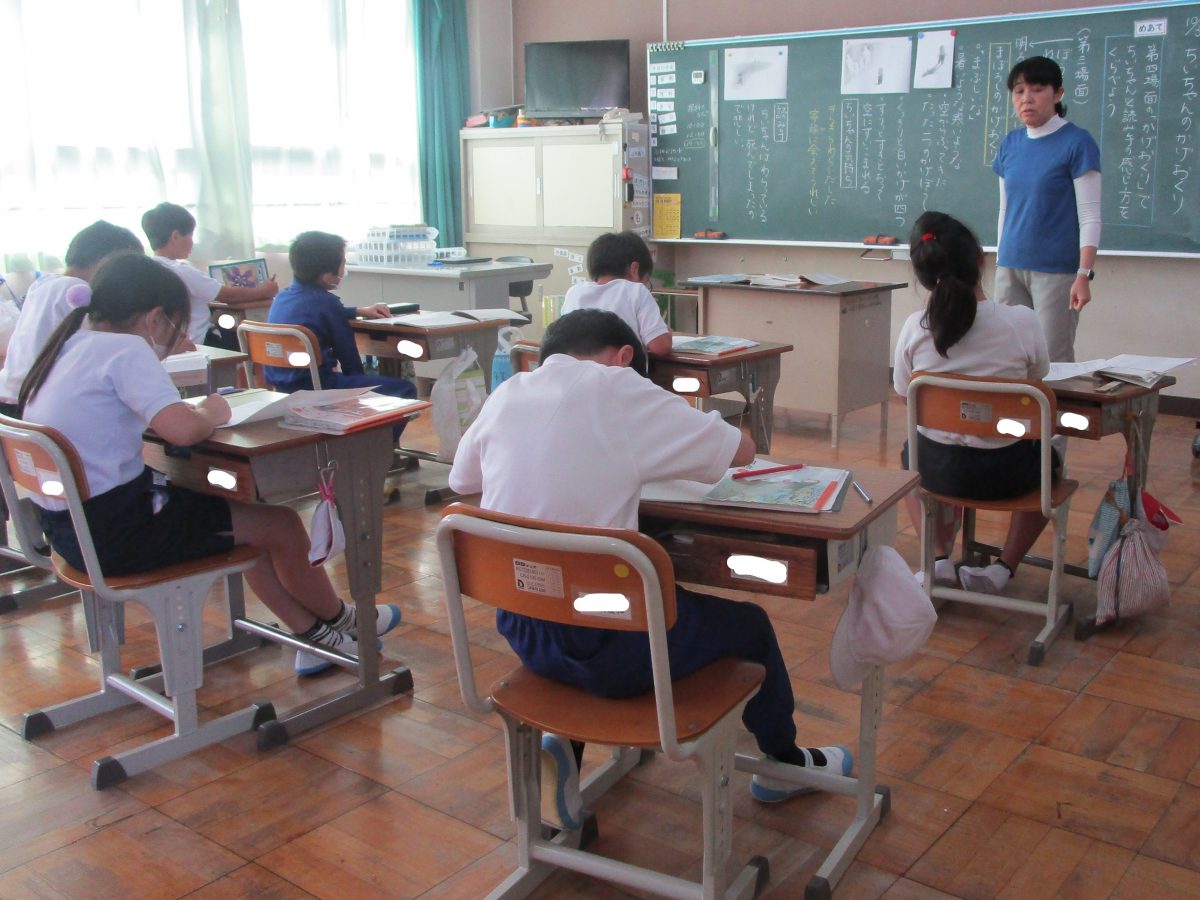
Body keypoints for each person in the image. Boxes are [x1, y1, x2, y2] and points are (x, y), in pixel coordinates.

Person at [448, 308, 851, 828]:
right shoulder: (617, 385)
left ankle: (564, 749)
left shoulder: (507, 393)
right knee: (749, 626)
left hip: (524, 631)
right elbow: (742, 451)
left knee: (578, 584)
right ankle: (784, 765)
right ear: (624, 358)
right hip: (613, 650)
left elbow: (463, 481)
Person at [16, 253, 400, 676]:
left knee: (248, 522)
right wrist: (213, 411)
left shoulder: (68, 344)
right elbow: (183, 431)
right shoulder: (125, 349)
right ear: (155, 318)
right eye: (177, 327)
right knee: (282, 525)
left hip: (70, 533)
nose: (178, 339)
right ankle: (345, 621)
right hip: (117, 534)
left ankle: (314, 634)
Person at [895, 211, 1054, 595]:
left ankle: (938, 560)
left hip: (935, 472)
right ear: (980, 261)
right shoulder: (1022, 322)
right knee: (1050, 462)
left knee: (908, 455)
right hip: (1008, 474)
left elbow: (904, 393)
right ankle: (1002, 569)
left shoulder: (916, 328)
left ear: (923, 274)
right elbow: (1038, 377)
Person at [992, 56, 1101, 363]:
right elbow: (1005, 210)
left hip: (1056, 271)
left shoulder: (1077, 142)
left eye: (1037, 89)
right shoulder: (1010, 144)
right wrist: (1001, 259)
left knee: (1052, 359)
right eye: (1019, 91)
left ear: (1058, 93)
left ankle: (1053, 400)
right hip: (1010, 266)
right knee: (1006, 356)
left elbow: (1090, 215)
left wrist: (1083, 274)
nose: (1026, 98)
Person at [0, 221, 144, 415]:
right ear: (107, 263)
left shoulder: (43, 284)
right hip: (33, 405)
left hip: (11, 397)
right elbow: (107, 349)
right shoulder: (76, 292)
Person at [266, 231, 417, 410]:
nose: (344, 269)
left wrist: (358, 311)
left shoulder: (282, 297)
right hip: (319, 387)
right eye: (343, 263)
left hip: (283, 387)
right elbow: (350, 361)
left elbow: (313, 312)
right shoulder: (328, 303)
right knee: (405, 389)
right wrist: (362, 386)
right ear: (327, 275)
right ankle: (374, 429)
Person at [141, 202, 280, 347]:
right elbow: (228, 295)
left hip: (170, 344)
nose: (192, 242)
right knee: (252, 338)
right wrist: (265, 290)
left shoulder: (149, 269)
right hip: (202, 342)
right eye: (190, 236)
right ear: (175, 236)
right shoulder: (180, 270)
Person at [561, 231, 672, 358]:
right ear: (634, 269)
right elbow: (661, 347)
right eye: (646, 281)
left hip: (575, 370)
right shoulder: (637, 291)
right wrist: (667, 333)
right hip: (621, 370)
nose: (645, 286)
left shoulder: (574, 292)